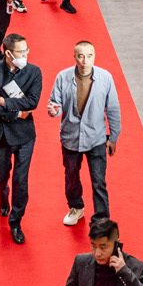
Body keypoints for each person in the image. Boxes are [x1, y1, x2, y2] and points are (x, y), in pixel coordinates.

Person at [49, 40, 122, 224]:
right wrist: (53, 110)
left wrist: (113, 137)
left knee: (98, 180)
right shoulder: (62, 77)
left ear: (94, 56)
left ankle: (102, 218)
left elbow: (113, 109)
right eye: (80, 56)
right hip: (70, 137)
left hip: (96, 138)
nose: (85, 61)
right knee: (71, 176)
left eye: (89, 56)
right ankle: (76, 207)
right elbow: (55, 104)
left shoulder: (105, 78)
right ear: (74, 57)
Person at [0, 31, 42, 242]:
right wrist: (16, 113)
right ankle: (2, 195)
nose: (25, 55)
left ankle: (16, 221)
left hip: (25, 135)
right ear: (8, 53)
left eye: (26, 50)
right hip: (1, 135)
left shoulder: (34, 72)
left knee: (20, 180)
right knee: (0, 176)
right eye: (21, 52)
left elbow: (32, 102)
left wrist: (4, 102)